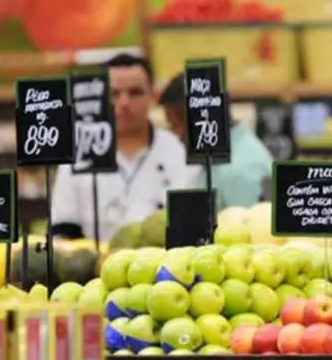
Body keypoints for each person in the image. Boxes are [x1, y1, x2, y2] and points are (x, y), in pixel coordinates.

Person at [51, 54, 193, 241]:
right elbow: (62, 230)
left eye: (134, 92)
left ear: (152, 95)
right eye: (113, 94)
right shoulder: (76, 156)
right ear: (99, 97)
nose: (124, 103)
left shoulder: (179, 152)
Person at [159, 72, 273, 210]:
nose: (175, 134)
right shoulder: (217, 159)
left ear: (201, 119)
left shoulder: (242, 170)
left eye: (176, 124)